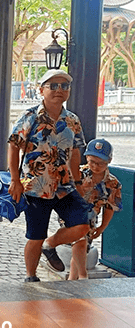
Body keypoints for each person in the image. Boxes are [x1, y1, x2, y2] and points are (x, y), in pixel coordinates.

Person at [8, 69, 90, 282]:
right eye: (53, 86)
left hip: (64, 186)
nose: (59, 90)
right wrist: (15, 181)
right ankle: (31, 276)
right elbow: (14, 146)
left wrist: (78, 181)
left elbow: (76, 151)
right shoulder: (30, 117)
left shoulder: (72, 120)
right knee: (35, 235)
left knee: (82, 225)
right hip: (36, 186)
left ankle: (50, 245)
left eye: (64, 86)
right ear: (41, 90)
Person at [63, 138, 122, 280]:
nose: (95, 166)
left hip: (91, 218)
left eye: (100, 163)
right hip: (71, 213)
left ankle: (72, 279)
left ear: (109, 161)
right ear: (86, 158)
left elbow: (110, 207)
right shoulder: (78, 174)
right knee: (80, 241)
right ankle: (83, 277)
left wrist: (102, 227)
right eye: (92, 162)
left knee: (82, 248)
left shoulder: (113, 183)